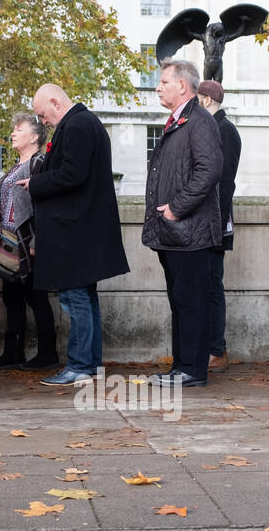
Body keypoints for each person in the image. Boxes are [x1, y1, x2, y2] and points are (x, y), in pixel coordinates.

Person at [20, 84, 129, 387]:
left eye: (43, 114)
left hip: (74, 231)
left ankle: (81, 365)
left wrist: (36, 183)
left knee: (75, 299)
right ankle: (89, 363)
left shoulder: (78, 125)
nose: (43, 122)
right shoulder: (84, 123)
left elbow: (73, 174)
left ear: (56, 102)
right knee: (84, 297)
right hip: (81, 229)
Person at [142, 58, 222, 389]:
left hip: (189, 231)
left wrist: (176, 208)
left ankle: (192, 370)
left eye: (163, 82)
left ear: (183, 87)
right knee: (181, 301)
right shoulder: (180, 120)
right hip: (174, 233)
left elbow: (209, 169)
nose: (158, 87)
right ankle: (182, 367)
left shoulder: (198, 120)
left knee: (191, 302)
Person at [0, 112, 59, 371]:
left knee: (36, 297)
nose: (13, 132)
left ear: (35, 136)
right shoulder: (17, 165)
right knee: (12, 298)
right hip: (9, 245)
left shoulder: (39, 163)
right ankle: (12, 353)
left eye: (19, 129)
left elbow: (44, 205)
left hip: (28, 243)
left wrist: (38, 240)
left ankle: (48, 354)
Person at [196, 80, 241, 374]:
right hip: (206, 222)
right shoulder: (214, 127)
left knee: (212, 286)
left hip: (214, 223)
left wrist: (214, 222)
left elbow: (225, 183)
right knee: (205, 285)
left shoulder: (225, 130)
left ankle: (216, 350)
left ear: (207, 101)